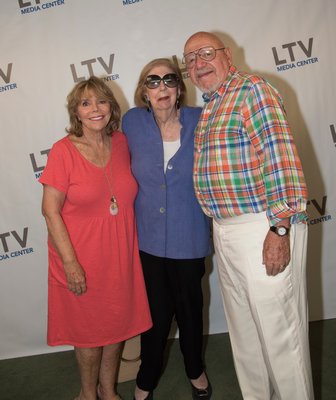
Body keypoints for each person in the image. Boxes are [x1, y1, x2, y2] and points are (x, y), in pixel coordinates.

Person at [183, 31, 314, 400]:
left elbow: (280, 156)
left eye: (206, 53)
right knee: (245, 336)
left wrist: (280, 228)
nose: (198, 63)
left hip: (263, 225)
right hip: (226, 230)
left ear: (228, 56)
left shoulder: (252, 89)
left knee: (280, 335)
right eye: (190, 59)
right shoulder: (212, 105)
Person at [39, 76, 152, 400]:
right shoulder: (63, 152)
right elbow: (50, 211)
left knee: (116, 329)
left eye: (101, 101)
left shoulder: (121, 143)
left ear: (111, 107)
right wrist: (71, 263)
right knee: (88, 336)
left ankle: (107, 390)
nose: (95, 109)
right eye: (86, 103)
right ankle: (88, 394)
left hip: (119, 256)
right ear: (76, 112)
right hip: (80, 258)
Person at [122, 58, 212, 400]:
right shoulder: (132, 122)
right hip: (146, 239)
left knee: (190, 310)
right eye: (153, 81)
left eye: (169, 80)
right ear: (144, 91)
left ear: (180, 88)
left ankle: (195, 370)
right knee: (156, 315)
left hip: (189, 235)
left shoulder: (201, 119)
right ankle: (147, 376)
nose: (161, 87)